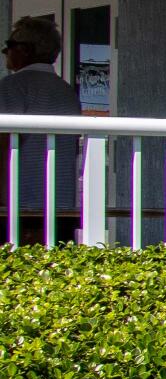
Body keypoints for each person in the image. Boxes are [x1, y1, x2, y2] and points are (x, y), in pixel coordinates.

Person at [2, 13, 85, 244]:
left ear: (25, 50)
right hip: (62, 206)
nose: (5, 52)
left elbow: (2, 145)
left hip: (20, 207)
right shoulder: (67, 91)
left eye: (9, 45)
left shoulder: (12, 86)